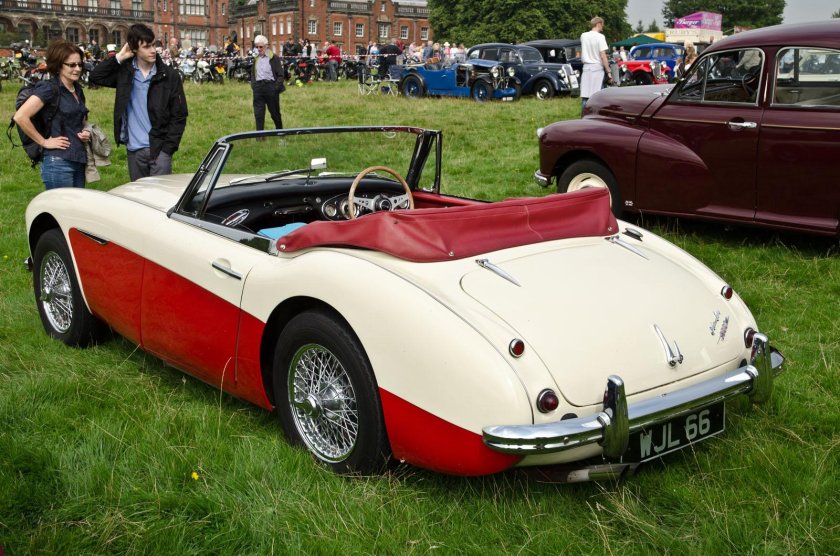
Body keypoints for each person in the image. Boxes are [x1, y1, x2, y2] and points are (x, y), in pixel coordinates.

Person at [89, 23, 187, 182]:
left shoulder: (169, 75)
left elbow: (180, 115)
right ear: (134, 49)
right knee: (139, 201)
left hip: (159, 149)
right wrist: (119, 57)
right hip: (134, 150)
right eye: (147, 47)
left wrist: (167, 149)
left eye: (154, 45)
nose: (153, 50)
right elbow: (95, 77)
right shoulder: (125, 73)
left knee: (160, 201)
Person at [13, 39, 91, 189]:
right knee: (61, 211)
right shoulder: (48, 89)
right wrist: (44, 142)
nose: (77, 69)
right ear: (59, 66)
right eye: (72, 65)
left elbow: (81, 119)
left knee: (76, 211)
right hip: (58, 163)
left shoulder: (77, 89)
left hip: (78, 159)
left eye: (80, 64)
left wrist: (86, 131)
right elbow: (20, 116)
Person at [250, 35, 284, 132]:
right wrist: (254, 85)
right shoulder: (256, 58)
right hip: (258, 88)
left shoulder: (274, 58)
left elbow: (281, 75)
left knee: (275, 113)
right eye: (256, 47)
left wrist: (275, 88)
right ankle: (259, 136)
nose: (258, 49)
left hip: (271, 87)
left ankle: (280, 133)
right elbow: (253, 73)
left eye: (260, 47)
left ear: (266, 46)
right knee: (258, 113)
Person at [580, 16, 612, 116]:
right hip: (597, 68)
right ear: (598, 24)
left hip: (586, 68)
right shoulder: (600, 37)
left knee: (585, 96)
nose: (603, 27)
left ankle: (583, 117)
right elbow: (603, 55)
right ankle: (596, 117)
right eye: (602, 24)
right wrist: (608, 71)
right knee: (598, 97)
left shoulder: (583, 36)